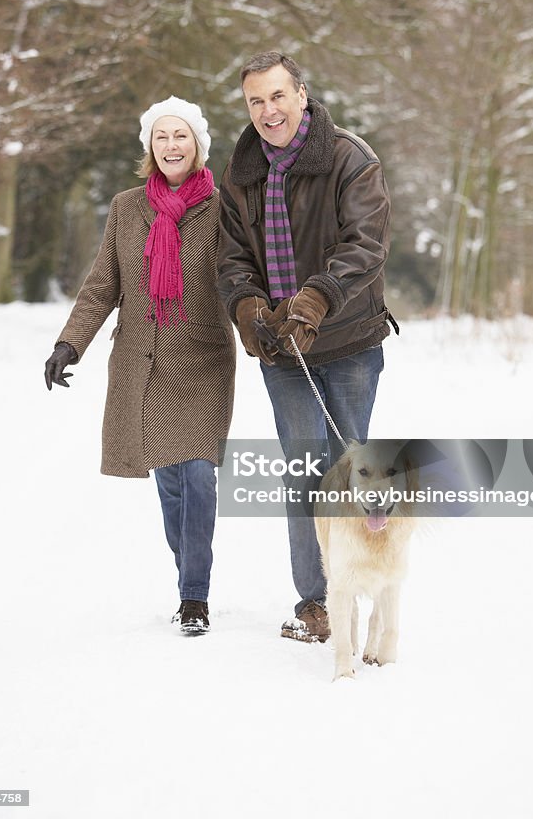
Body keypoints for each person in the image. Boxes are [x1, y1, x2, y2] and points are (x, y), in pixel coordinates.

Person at [217, 51, 396, 643]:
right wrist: (249, 309)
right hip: (284, 353)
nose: (268, 111)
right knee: (304, 473)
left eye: (277, 96)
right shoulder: (241, 173)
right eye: (255, 101)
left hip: (348, 343)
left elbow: (365, 244)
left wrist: (315, 300)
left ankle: (366, 584)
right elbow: (234, 257)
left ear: (301, 94)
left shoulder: (350, 157)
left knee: (353, 472)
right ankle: (315, 601)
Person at [44, 96, 235, 636]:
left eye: (181, 136)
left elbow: (242, 278)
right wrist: (70, 344)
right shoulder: (128, 207)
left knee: (198, 475)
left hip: (202, 363)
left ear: (198, 145)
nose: (171, 145)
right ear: (150, 146)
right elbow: (104, 282)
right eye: (162, 136)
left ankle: (194, 595)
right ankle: (188, 575)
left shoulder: (223, 208)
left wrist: (266, 332)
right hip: (143, 362)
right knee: (170, 483)